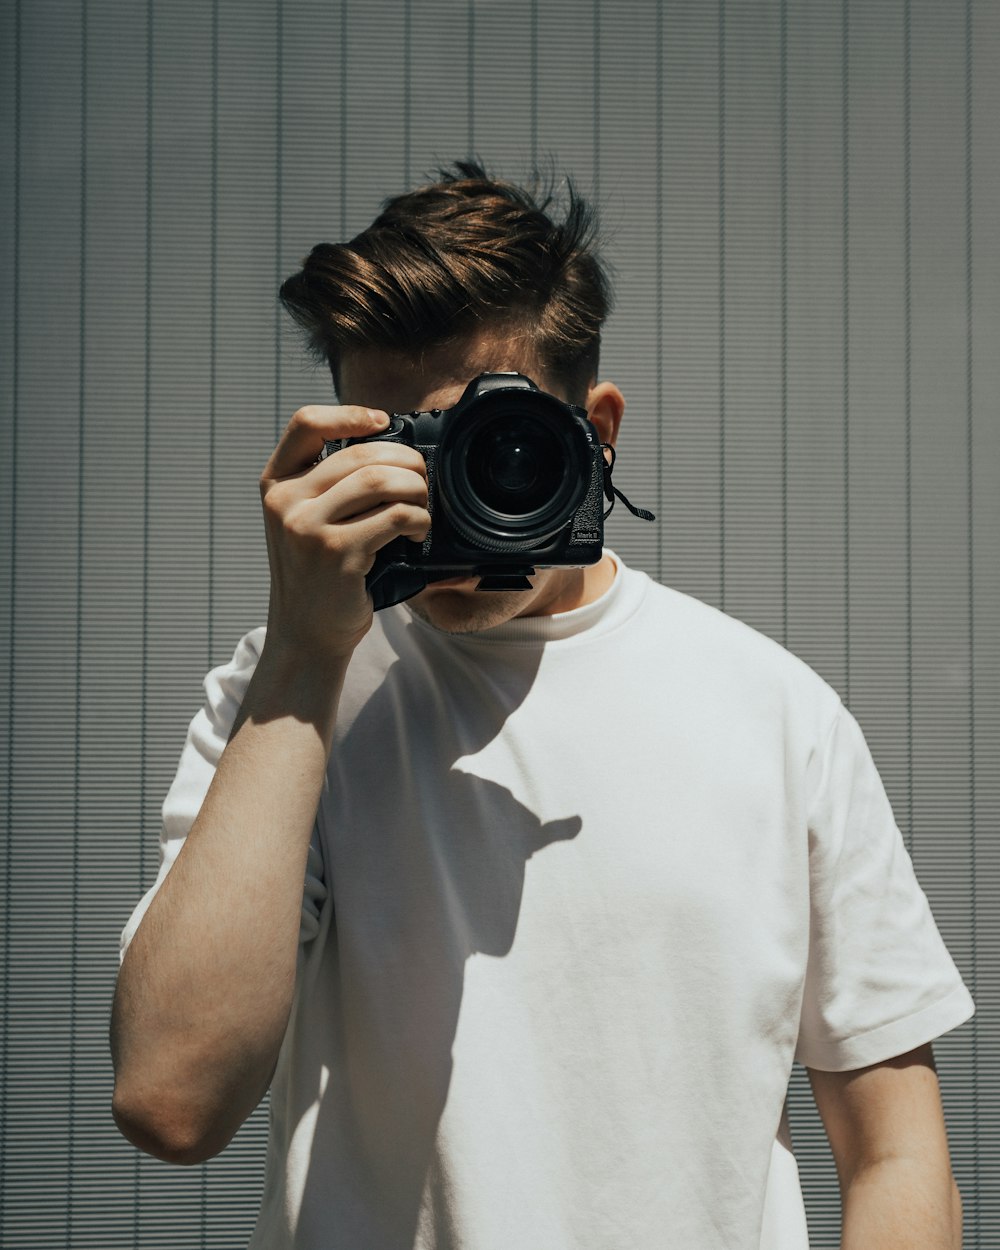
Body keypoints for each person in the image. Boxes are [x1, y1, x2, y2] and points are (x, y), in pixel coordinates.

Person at [111, 160, 975, 1250]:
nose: (455, 499)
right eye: (404, 452)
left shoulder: (776, 713)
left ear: (596, 432)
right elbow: (171, 1099)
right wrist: (301, 654)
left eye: (499, 441)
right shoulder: (288, 693)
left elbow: (897, 1150)